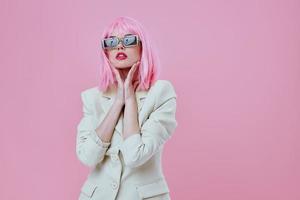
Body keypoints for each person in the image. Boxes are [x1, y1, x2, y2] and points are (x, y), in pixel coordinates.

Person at [76, 16, 178, 200]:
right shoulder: (92, 97)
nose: (119, 47)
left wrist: (130, 99)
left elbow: (135, 156)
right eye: (112, 42)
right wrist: (118, 103)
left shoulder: (161, 93)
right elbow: (88, 157)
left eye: (129, 40)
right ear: (106, 52)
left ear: (143, 47)